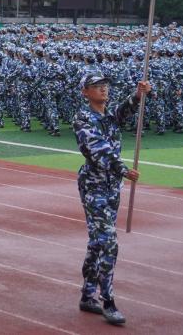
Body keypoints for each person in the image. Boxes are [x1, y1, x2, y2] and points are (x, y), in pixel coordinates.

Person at [73, 74, 150, 326]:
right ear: (85, 92)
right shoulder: (83, 118)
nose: (103, 89)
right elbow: (97, 149)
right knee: (108, 242)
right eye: (97, 86)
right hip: (94, 186)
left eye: (105, 86)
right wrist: (123, 169)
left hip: (112, 186)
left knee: (97, 243)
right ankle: (108, 301)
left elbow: (124, 111)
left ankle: (87, 295)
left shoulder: (108, 115)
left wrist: (138, 95)